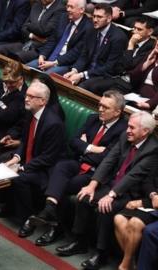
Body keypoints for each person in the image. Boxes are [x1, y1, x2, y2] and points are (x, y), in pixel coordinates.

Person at [56, 111, 158, 270]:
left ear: (145, 131)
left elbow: (133, 175)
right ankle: (79, 242)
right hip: (112, 184)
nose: (127, 130)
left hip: (130, 192)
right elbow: (109, 160)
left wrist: (111, 195)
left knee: (106, 208)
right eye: (128, 126)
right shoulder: (125, 137)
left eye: (132, 127)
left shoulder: (152, 149)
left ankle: (101, 253)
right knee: (83, 197)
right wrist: (92, 185)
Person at [28, 90, 127, 246]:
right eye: (100, 105)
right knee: (60, 166)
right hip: (78, 162)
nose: (100, 109)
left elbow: (107, 158)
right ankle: (50, 208)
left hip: (96, 173)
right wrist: (93, 148)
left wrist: (85, 146)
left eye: (105, 107)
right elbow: (73, 142)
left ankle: (55, 224)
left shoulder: (123, 130)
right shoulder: (93, 119)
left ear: (117, 112)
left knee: (62, 185)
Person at [3, 79, 65, 237]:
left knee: (19, 178)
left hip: (46, 170)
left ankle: (28, 219)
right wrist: (16, 159)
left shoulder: (54, 123)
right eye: (27, 95)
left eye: (31, 96)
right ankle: (9, 207)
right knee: (3, 164)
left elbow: (48, 158)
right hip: (32, 161)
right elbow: (25, 140)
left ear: (43, 101)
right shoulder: (31, 113)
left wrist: (22, 167)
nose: (26, 98)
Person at [85, 17, 155, 95]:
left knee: (97, 88)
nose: (135, 32)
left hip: (130, 83)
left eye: (139, 29)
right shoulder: (131, 39)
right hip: (116, 76)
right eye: (134, 28)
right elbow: (119, 62)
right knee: (87, 84)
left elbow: (129, 65)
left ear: (150, 32)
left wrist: (131, 45)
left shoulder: (151, 47)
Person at [63, 3, 128, 88]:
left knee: (82, 86)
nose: (95, 20)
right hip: (87, 70)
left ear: (109, 19)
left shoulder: (118, 38)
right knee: (63, 77)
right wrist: (75, 70)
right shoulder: (91, 30)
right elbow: (84, 56)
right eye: (94, 16)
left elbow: (109, 67)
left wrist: (82, 75)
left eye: (99, 17)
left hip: (104, 75)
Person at [27, 0, 92, 75]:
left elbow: (75, 53)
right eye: (67, 6)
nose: (68, 9)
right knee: (27, 68)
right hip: (48, 58)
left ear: (82, 10)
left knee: (44, 77)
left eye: (71, 7)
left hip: (64, 63)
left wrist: (54, 63)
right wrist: (42, 55)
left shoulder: (88, 28)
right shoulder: (63, 17)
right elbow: (52, 40)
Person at [0, 0, 65, 64]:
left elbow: (45, 30)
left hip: (38, 48)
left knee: (16, 57)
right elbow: (23, 28)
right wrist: (33, 36)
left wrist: (29, 25)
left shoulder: (60, 9)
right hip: (25, 42)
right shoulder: (37, 4)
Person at [0, 61, 26, 163]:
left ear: (21, 79)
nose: (8, 85)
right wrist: (0, 105)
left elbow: (4, 116)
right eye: (6, 82)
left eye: (12, 82)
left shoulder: (24, 95)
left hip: (5, 132)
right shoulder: (5, 82)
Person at [114, 176, 158, 270]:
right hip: (150, 200)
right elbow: (148, 180)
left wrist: (144, 203)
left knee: (135, 222)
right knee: (119, 218)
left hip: (153, 207)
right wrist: (153, 195)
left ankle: (124, 266)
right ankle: (131, 263)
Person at [129, 41, 158, 111]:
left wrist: (150, 103)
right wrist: (146, 64)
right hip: (137, 95)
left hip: (153, 101)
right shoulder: (151, 54)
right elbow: (133, 77)